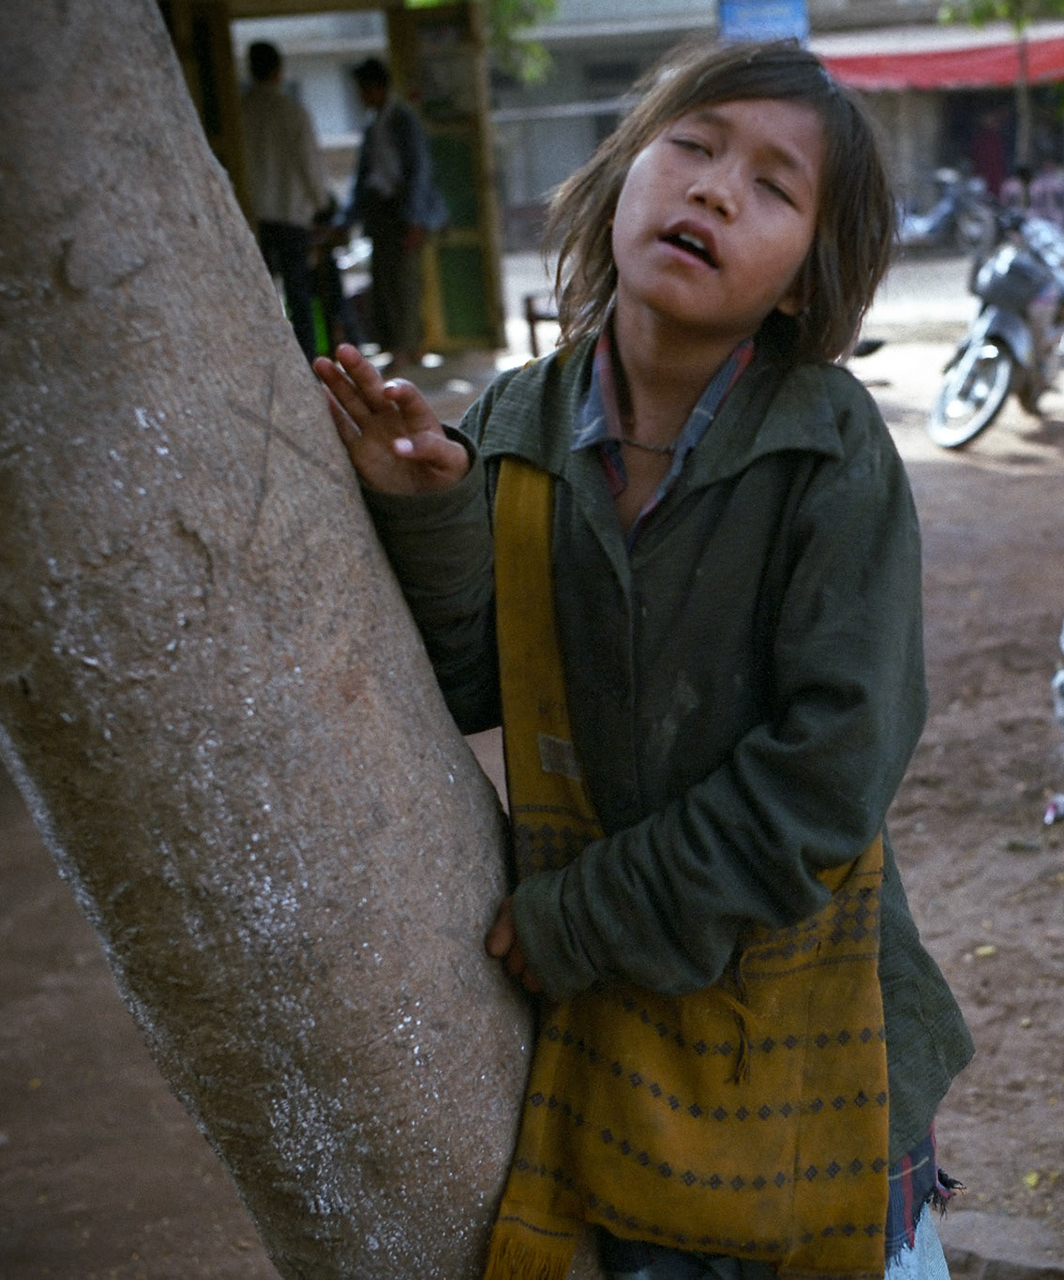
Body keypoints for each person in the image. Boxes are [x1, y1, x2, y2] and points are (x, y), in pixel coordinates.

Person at [315, 38, 972, 1280]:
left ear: (800, 281)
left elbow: (830, 776)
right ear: (623, 175)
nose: (718, 190)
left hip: (805, 1015)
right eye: (694, 147)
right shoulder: (514, 421)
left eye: (775, 187)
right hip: (614, 1031)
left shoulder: (828, 453)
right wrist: (439, 514)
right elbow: (471, 685)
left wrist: (587, 914)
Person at [340, 56, 448, 374]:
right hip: (382, 212)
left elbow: (418, 172)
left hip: (403, 212)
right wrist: (349, 218)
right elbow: (365, 175)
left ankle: (408, 346)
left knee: (405, 282)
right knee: (385, 282)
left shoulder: (403, 120)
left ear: (375, 87)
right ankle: (396, 345)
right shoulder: (374, 124)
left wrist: (414, 218)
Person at [240, 41, 327, 361]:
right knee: (298, 293)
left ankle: (266, 357)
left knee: (260, 294)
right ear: (278, 72)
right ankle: (308, 360)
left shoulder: (239, 112)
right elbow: (309, 163)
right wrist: (319, 204)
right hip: (291, 215)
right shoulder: (292, 111)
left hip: (253, 217)